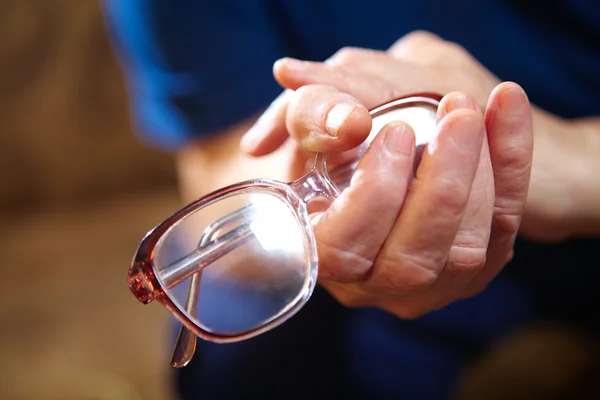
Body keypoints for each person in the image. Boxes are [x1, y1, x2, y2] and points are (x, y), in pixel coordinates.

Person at [101, 1, 600, 399]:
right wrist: (308, 170)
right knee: (241, 366)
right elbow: (221, 154)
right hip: (365, 247)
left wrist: (571, 162)